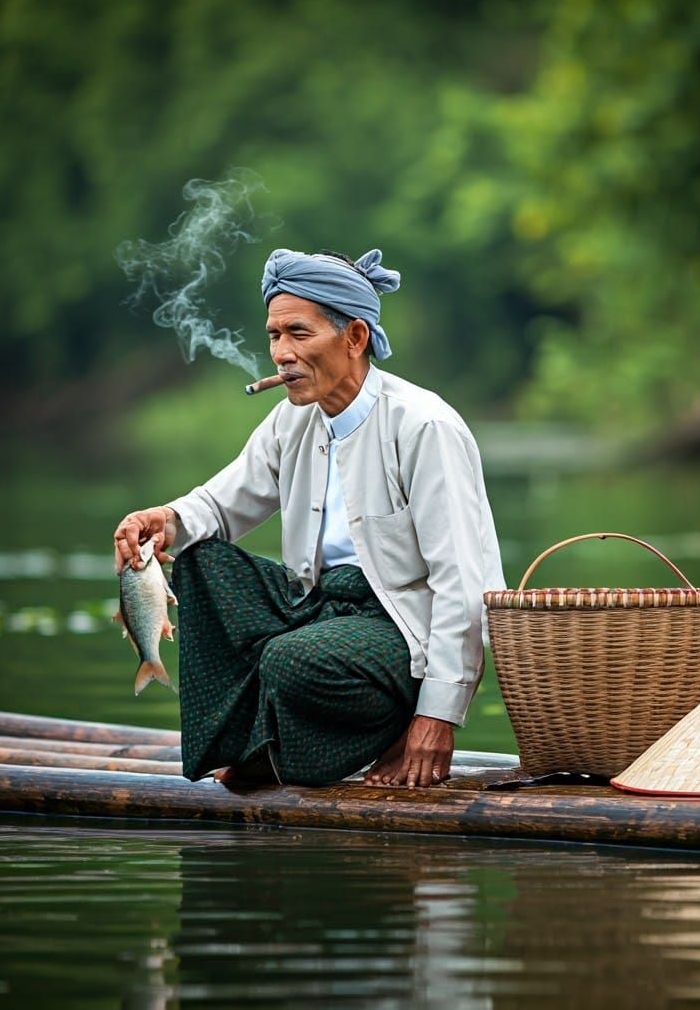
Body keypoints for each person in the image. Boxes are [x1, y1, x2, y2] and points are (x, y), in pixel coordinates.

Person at [114, 247, 505, 789]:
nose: (281, 354)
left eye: (299, 333)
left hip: (398, 628)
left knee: (291, 659)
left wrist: (437, 717)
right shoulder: (290, 421)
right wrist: (161, 519)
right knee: (200, 564)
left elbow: (464, 583)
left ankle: (382, 729)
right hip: (320, 608)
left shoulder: (424, 427)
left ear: (355, 338)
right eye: (274, 336)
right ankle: (255, 742)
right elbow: (218, 506)